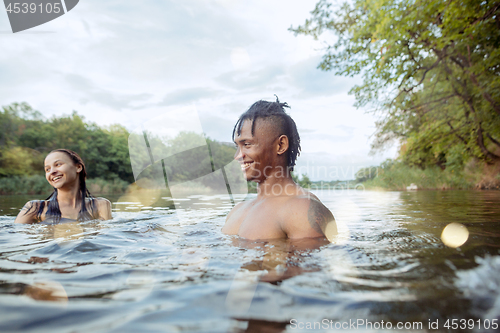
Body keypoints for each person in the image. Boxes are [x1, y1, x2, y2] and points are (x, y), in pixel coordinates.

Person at [222, 97, 337, 240]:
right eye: (237, 146)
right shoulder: (236, 211)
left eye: (247, 144)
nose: (237, 156)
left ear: (281, 145)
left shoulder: (301, 210)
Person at [15, 149, 112, 224]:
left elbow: (106, 239)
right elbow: (14, 238)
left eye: (58, 164)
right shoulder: (35, 208)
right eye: (47, 169)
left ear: (78, 167)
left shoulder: (100, 205)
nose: (52, 172)